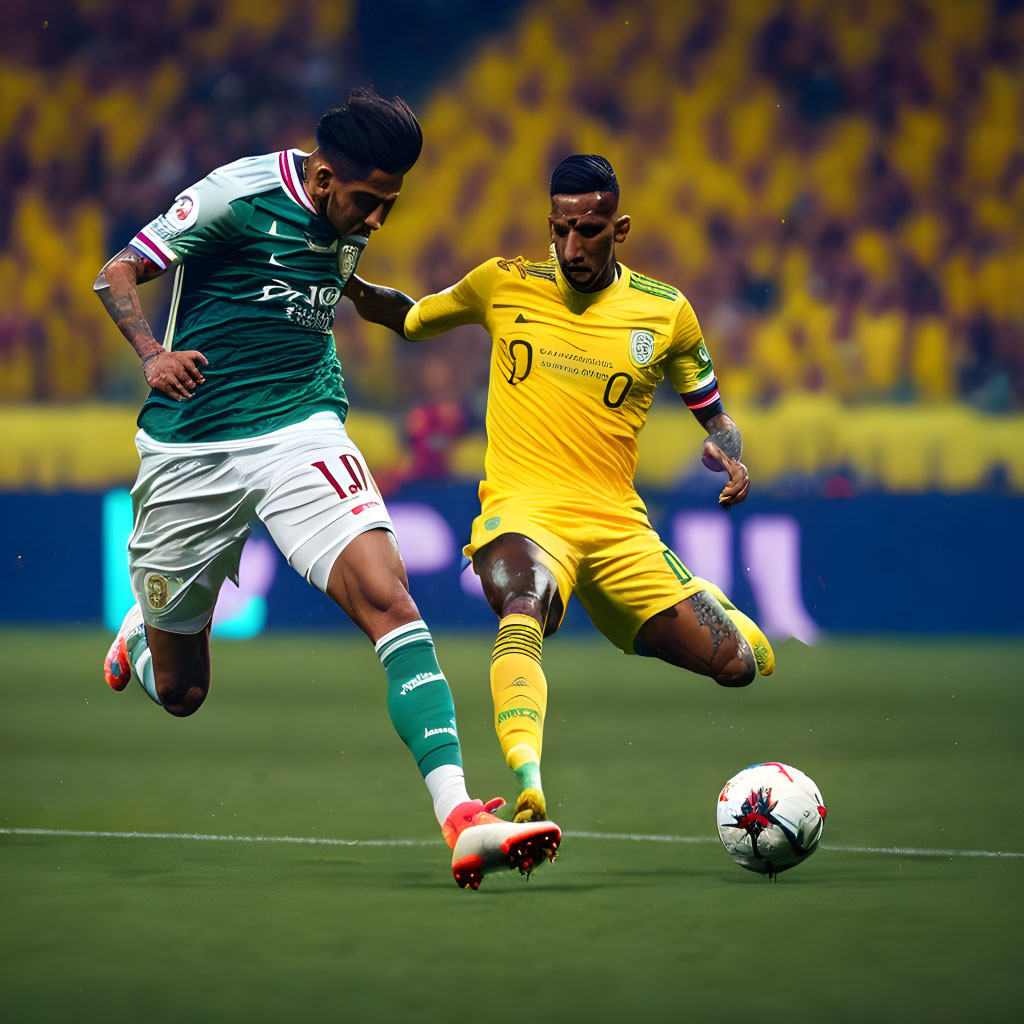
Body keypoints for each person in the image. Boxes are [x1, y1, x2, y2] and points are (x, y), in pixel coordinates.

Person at [92, 87, 559, 890]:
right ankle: (142, 635)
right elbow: (116, 273)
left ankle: (460, 817)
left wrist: (414, 315)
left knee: (391, 600)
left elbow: (333, 284)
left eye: (391, 205)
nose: (378, 221)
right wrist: (149, 354)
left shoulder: (349, 214)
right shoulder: (234, 197)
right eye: (370, 203)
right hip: (192, 446)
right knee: (182, 692)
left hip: (301, 424)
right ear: (319, 178)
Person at [396, 154, 776, 826]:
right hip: (523, 511)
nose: (572, 247)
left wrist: (732, 455)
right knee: (523, 603)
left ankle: (677, 601)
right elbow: (410, 317)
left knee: (738, 665)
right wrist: (334, 273)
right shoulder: (502, 283)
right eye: (561, 229)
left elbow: (717, 415)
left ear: (619, 227)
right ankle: (529, 780)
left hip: (617, 526)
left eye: (590, 231)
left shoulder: (665, 313)